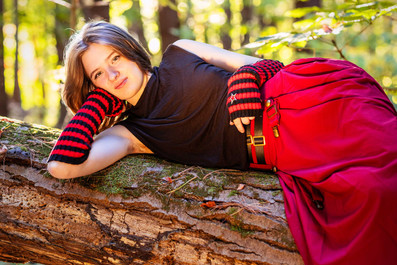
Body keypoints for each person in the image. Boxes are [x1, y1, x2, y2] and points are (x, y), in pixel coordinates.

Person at [47, 21, 397, 265]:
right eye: (98, 74)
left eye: (114, 59)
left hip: (307, 100)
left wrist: (247, 77)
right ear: (94, 86)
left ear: (129, 52)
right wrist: (92, 110)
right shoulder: (132, 134)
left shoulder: (180, 52)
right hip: (289, 151)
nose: (113, 74)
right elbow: (62, 167)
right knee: (375, 192)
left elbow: (265, 65)